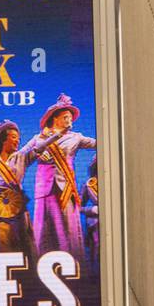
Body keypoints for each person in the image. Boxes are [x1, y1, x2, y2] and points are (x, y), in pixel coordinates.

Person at [23, 94, 96, 262]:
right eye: (65, 117)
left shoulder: (75, 137)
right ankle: (41, 266)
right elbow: (22, 157)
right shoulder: (38, 138)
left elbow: (98, 143)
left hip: (65, 189)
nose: (69, 121)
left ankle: (72, 266)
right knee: (44, 229)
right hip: (45, 189)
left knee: (67, 229)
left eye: (70, 118)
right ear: (55, 118)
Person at [0, 118, 53, 265]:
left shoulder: (20, 158)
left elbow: (37, 148)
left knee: (22, 246)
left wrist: (54, 135)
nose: (17, 141)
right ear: (3, 140)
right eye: (13, 137)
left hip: (18, 210)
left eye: (18, 138)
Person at [80, 157, 100, 276]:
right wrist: (91, 209)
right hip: (95, 224)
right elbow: (76, 207)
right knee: (96, 250)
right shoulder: (88, 185)